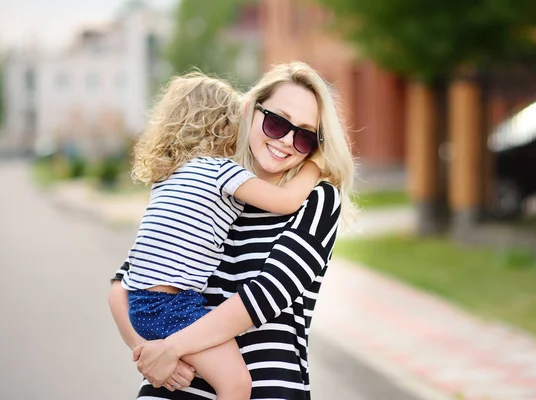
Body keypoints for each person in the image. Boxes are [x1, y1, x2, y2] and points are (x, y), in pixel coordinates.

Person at [108, 61, 355, 400]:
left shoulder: (317, 199)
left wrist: (171, 347)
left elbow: (267, 294)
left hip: (263, 390)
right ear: (251, 111)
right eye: (276, 122)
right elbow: (124, 284)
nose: (285, 140)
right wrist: (150, 356)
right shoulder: (212, 189)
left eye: (305, 137)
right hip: (174, 387)